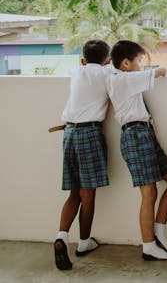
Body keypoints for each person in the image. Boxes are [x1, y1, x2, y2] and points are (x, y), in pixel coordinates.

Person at [107, 40, 167, 261]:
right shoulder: (125, 78)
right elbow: (162, 71)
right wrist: (149, 70)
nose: (141, 65)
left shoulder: (119, 77)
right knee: (149, 192)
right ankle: (148, 246)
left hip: (144, 134)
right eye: (139, 61)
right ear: (125, 63)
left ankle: (158, 232)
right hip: (135, 136)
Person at [54, 40, 112, 270]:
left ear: (82, 60)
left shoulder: (76, 71)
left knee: (74, 193)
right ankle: (84, 242)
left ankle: (61, 237)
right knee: (88, 194)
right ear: (106, 61)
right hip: (89, 133)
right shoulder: (107, 75)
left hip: (69, 132)